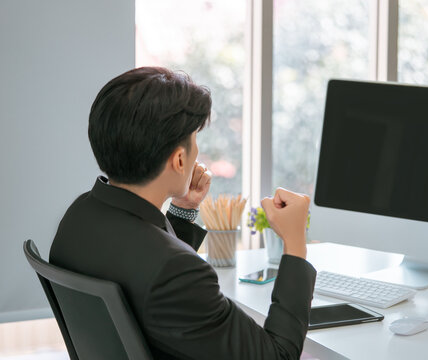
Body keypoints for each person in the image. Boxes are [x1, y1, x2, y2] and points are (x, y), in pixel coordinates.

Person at [50, 67, 316, 359]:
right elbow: (278, 356)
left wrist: (184, 209)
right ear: (179, 159)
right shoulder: (176, 272)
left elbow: (155, 288)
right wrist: (294, 244)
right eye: (194, 141)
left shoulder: (79, 217)